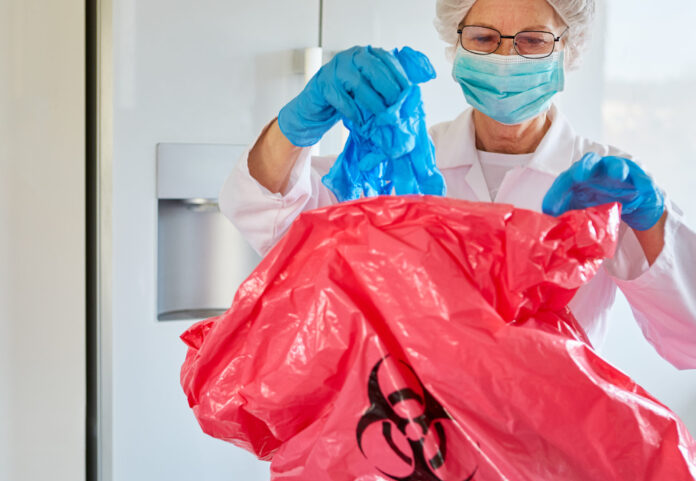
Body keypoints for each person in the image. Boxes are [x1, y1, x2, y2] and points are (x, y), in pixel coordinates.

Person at [218, 0, 696, 369]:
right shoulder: (401, 161)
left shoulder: (606, 181)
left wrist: (651, 221)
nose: (506, 58)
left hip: (548, 454)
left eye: (532, 41)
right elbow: (270, 217)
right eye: (484, 37)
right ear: (457, 44)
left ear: (567, 49)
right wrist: (298, 123)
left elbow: (688, 340)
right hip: (411, 446)